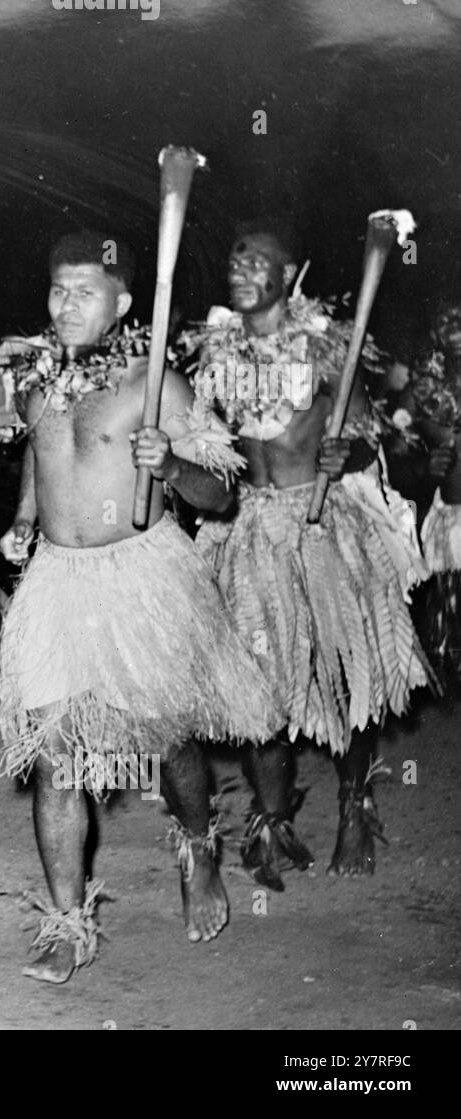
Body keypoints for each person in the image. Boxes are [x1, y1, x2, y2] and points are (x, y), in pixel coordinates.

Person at [0, 231, 279, 984]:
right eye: (59, 289)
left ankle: (198, 848)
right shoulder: (36, 381)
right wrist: (26, 515)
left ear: (121, 302)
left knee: (169, 742)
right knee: (57, 758)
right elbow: (37, 449)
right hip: (59, 579)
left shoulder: (156, 385)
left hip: (138, 576)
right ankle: (66, 923)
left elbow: (221, 494)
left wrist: (173, 463)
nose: (66, 305)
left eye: (85, 291)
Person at [187, 220, 434, 886]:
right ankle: (271, 821)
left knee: (339, 679)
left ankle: (355, 803)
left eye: (255, 259)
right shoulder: (216, 349)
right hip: (248, 528)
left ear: (287, 274)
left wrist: (344, 450)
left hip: (318, 522)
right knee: (256, 687)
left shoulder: (323, 345)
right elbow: (210, 439)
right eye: (234, 257)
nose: (239, 267)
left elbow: (361, 434)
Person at [397, 295, 461, 683]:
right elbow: (390, 458)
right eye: (448, 320)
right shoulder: (419, 395)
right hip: (454, 529)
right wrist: (424, 466)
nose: (457, 330)